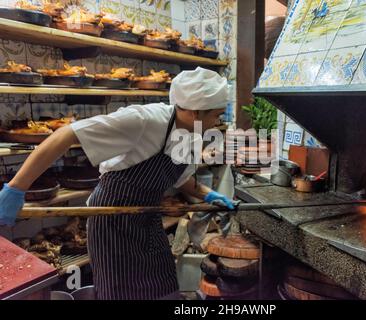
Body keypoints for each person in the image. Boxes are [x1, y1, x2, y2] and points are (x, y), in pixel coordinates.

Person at [0, 67, 235, 300]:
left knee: (163, 284)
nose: (217, 122)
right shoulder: (145, 120)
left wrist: (209, 195)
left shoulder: (192, 135)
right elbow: (66, 135)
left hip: (147, 217)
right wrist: (16, 188)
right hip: (111, 219)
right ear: (196, 112)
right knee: (121, 291)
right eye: (216, 115)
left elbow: (181, 179)